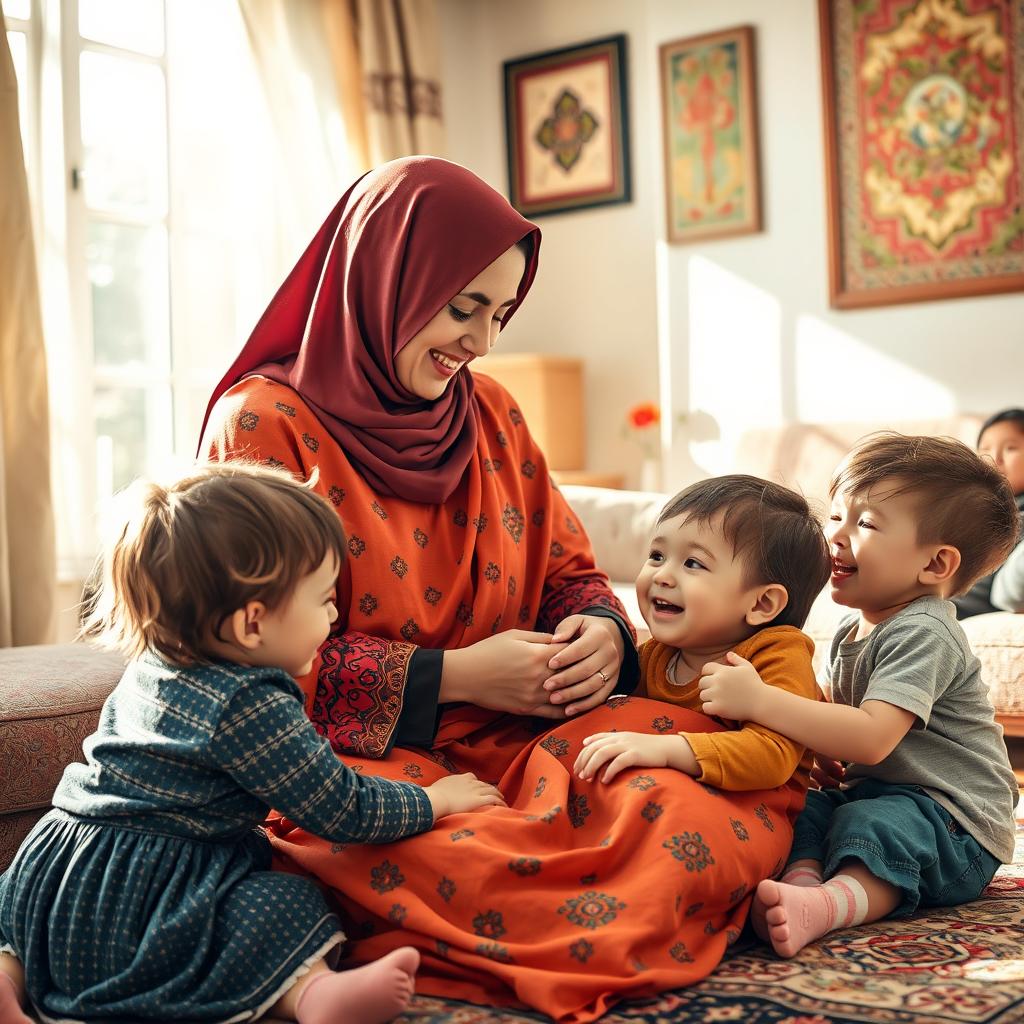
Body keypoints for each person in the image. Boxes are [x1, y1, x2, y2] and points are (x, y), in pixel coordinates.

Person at [199, 157, 806, 1021]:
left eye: (499, 312)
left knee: (687, 774)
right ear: (388, 281)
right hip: (358, 759)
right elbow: (240, 654)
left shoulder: (493, 412)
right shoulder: (265, 424)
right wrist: (458, 677)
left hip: (527, 734)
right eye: (462, 308)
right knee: (440, 853)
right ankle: (613, 926)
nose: (481, 344)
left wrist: (599, 629)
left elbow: (571, 572)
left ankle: (610, 913)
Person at [0, 463, 504, 1024]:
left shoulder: (155, 662)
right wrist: (437, 800)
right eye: (323, 600)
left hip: (55, 860)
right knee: (286, 902)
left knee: (18, 915)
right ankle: (311, 995)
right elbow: (343, 808)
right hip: (148, 888)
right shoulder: (250, 703)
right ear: (251, 625)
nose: (335, 615)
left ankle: (7, 979)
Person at [698, 433, 1020, 959]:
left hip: (956, 824)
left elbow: (871, 738)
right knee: (805, 807)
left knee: (873, 824)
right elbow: (841, 718)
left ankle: (829, 906)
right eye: (837, 516)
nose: (837, 536)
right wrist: (817, 748)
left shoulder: (925, 631)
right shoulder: (853, 630)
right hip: (885, 794)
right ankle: (799, 889)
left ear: (936, 565)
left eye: (865, 524)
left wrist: (759, 701)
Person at [575, 476, 830, 803]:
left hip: (751, 806)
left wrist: (667, 749)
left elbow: (772, 756)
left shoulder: (777, 653)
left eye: (692, 563)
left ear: (761, 604)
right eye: (656, 555)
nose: (662, 576)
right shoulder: (657, 654)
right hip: (664, 791)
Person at [954, 408, 1024, 617]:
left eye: (1011, 448)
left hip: (963, 607)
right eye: (985, 448)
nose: (996, 458)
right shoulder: (973, 504)